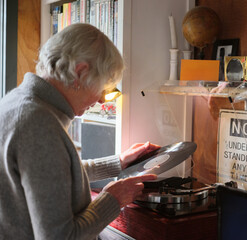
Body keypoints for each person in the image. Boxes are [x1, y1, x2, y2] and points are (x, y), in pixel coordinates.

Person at [0, 23, 160, 239]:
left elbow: (49, 176)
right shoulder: (39, 125)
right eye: (102, 87)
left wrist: (117, 163)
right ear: (80, 72)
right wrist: (112, 200)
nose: (102, 99)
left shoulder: (18, 102)